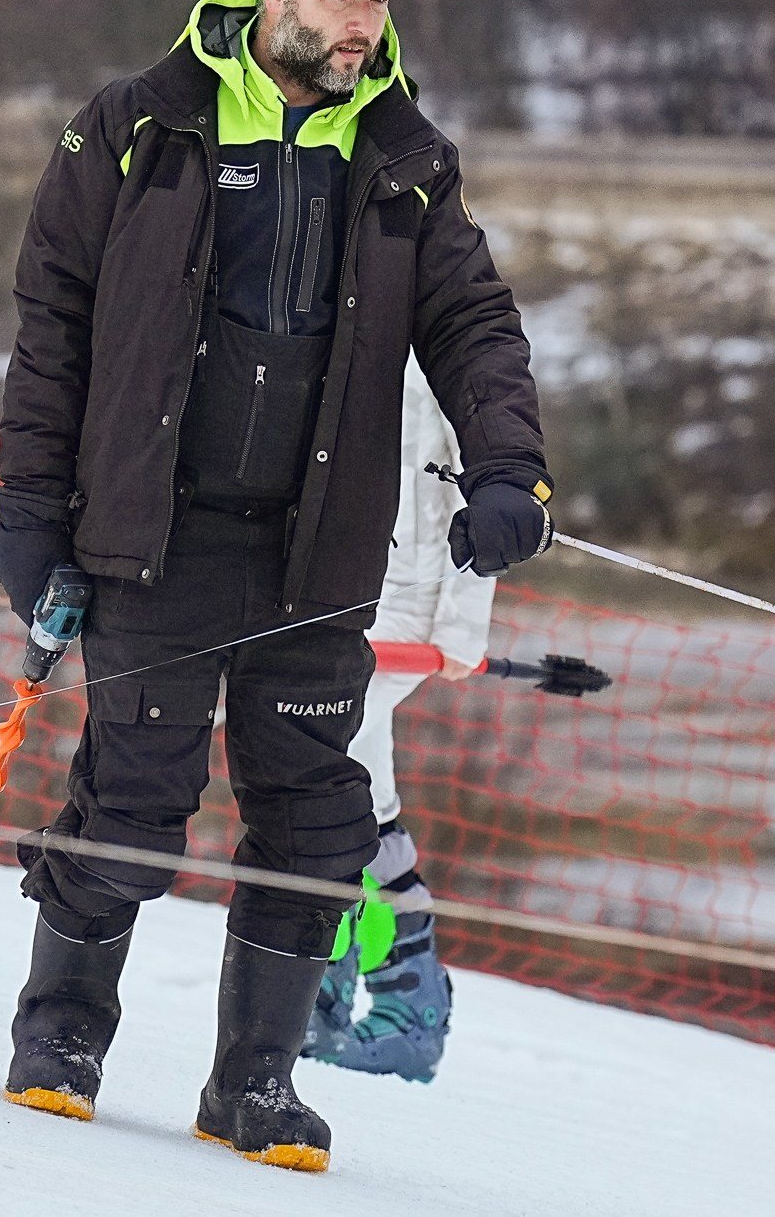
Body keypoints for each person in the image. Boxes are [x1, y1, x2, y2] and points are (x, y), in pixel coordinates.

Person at [0, 0, 552, 1172]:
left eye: (380, 2)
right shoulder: (141, 125)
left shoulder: (404, 156)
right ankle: (59, 1037)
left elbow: (473, 324)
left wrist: (510, 473)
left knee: (315, 821)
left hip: (319, 549)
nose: (364, 25)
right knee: (132, 802)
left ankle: (255, 1085)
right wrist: (28, 508)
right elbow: (52, 324)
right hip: (156, 532)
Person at [304, 357, 484, 1083]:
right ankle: (388, 994)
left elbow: (487, 465)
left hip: (403, 596)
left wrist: (463, 624)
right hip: (326, 579)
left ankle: (352, 991)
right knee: (354, 793)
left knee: (328, 783)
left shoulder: (442, 326)